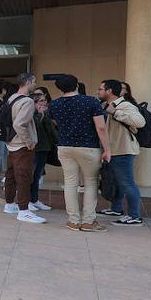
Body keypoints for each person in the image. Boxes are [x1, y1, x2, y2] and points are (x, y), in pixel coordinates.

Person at [49, 74, 111, 232]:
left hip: (64, 147)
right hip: (88, 147)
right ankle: (88, 221)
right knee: (90, 182)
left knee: (70, 183)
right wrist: (107, 149)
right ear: (76, 85)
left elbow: (55, 123)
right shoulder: (91, 101)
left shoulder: (54, 104)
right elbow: (101, 128)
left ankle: (73, 221)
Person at [97, 79, 147, 225]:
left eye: (101, 89)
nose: (98, 91)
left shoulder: (124, 105)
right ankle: (116, 208)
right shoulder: (107, 105)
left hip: (124, 150)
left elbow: (140, 122)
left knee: (127, 183)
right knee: (118, 182)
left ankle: (134, 216)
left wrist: (116, 113)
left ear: (109, 91)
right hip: (114, 150)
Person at [0, 73, 44, 224]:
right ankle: (24, 210)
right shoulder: (27, 101)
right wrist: (29, 141)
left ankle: (10, 204)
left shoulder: (11, 98)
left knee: (11, 175)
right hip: (21, 145)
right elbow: (19, 124)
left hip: (11, 143)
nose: (35, 84)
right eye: (34, 81)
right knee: (24, 176)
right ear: (28, 82)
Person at [28, 87, 57, 212]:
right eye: (40, 101)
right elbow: (34, 128)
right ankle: (27, 200)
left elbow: (51, 131)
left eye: (45, 100)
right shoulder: (31, 114)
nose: (44, 103)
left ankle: (35, 200)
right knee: (31, 176)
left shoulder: (46, 114)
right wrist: (40, 115)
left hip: (44, 148)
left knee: (38, 175)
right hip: (34, 148)